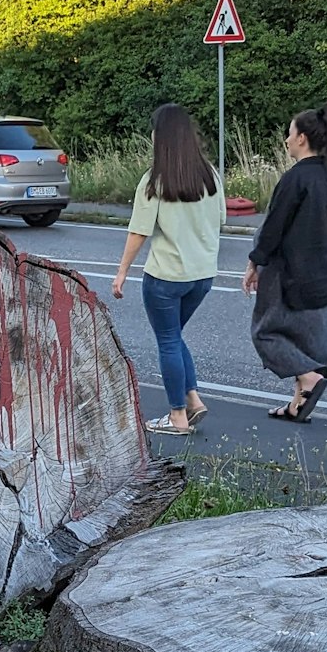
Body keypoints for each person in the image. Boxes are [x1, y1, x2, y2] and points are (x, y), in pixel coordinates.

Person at [110, 103, 228, 435]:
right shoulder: (210, 176)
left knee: (168, 340)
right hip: (202, 276)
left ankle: (177, 415)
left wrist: (122, 272)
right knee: (174, 336)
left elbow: (139, 231)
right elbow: (221, 218)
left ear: (159, 137)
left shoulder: (155, 181)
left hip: (165, 277)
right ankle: (193, 399)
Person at [243, 102, 327, 421]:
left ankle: (308, 376)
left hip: (287, 273)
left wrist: (255, 263)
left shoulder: (294, 179)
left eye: (289, 134)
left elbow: (274, 226)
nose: (286, 140)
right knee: (304, 339)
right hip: (324, 273)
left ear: (302, 138)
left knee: (266, 333)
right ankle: (297, 403)